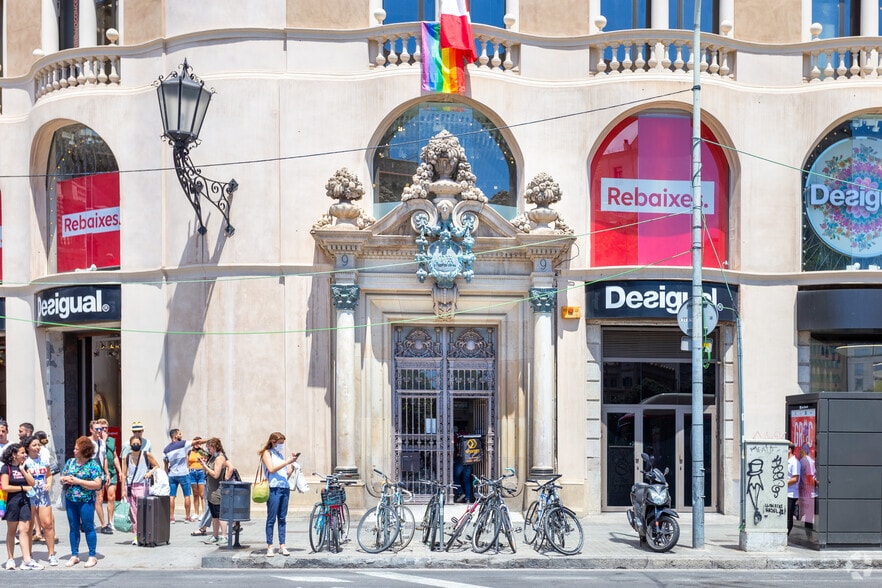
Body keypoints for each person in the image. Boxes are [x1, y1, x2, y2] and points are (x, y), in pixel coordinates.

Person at [60, 436, 105, 568]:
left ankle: (92, 556)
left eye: (76, 449)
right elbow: (62, 477)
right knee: (73, 527)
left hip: (86, 501)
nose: (74, 450)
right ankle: (74, 555)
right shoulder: (70, 462)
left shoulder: (92, 465)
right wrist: (64, 479)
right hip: (71, 500)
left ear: (84, 451)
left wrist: (78, 481)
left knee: (88, 526)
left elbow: (97, 484)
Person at [1, 443, 43, 570]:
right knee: (12, 531)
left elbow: (32, 483)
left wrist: (23, 470)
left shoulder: (25, 466)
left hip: (25, 501)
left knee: (24, 530)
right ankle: (10, 559)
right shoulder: (6, 468)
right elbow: (5, 487)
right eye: (22, 453)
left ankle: (26, 560)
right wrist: (22, 487)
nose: (25, 455)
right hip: (11, 502)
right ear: (14, 455)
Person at [259, 432, 299, 557]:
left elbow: (284, 474)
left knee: (282, 518)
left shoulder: (280, 455)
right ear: (273, 442)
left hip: (284, 487)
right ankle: (270, 546)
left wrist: (292, 464)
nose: (281, 445)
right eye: (280, 443)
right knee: (271, 518)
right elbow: (271, 469)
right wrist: (286, 462)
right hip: (273, 488)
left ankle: (282, 545)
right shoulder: (267, 453)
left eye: (282, 443)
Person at [120, 434, 161, 544]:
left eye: (138, 444)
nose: (136, 445)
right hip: (130, 486)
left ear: (141, 444)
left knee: (141, 512)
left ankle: (144, 534)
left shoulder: (146, 455)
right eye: (134, 444)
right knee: (133, 512)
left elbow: (157, 465)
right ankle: (136, 535)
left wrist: (149, 472)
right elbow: (124, 474)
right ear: (130, 445)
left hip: (142, 486)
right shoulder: (127, 457)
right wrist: (123, 490)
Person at [23, 436, 57, 565]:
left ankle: (51, 554)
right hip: (29, 495)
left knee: (47, 524)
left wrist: (48, 483)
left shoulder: (44, 459)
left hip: (43, 495)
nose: (37, 447)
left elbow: (49, 475)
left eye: (38, 445)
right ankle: (29, 554)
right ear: (28, 447)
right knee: (29, 526)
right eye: (34, 445)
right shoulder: (25, 461)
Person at [201, 438, 234, 545]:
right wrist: (204, 465)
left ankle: (224, 536)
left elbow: (216, 474)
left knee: (220, 515)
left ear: (215, 447)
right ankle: (215, 535)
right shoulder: (212, 458)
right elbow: (206, 473)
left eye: (210, 448)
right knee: (214, 516)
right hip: (211, 491)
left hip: (217, 491)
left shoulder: (220, 458)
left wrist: (205, 466)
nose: (208, 450)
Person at [162, 428, 196, 522]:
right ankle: (187, 517)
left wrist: (166, 475)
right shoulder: (183, 444)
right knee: (187, 495)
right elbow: (197, 442)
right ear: (175, 436)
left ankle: (171, 517)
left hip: (172, 475)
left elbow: (165, 464)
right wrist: (208, 440)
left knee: (172, 496)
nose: (181, 435)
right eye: (180, 434)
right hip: (183, 474)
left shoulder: (166, 449)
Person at [96, 418, 121, 535]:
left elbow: (115, 456)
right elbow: (101, 452)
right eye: (102, 428)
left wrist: (120, 471)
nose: (104, 430)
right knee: (99, 498)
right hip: (99, 473)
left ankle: (111, 521)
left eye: (106, 428)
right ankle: (103, 523)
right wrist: (103, 440)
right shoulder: (96, 441)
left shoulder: (112, 440)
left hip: (111, 471)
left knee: (111, 497)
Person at [188, 438, 207, 519]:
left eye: (199, 442)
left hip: (200, 472)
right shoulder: (190, 452)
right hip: (192, 472)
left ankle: (203, 513)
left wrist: (202, 448)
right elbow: (187, 462)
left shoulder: (202, 452)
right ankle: (196, 512)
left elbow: (207, 457)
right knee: (195, 494)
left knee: (202, 494)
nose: (197, 444)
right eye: (196, 442)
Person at [787, 442, 800, 536]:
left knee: (788, 516)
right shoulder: (786, 461)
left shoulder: (795, 462)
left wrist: (782, 484)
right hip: (785, 492)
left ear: (789, 450)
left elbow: (795, 479)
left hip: (791, 494)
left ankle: (786, 536)